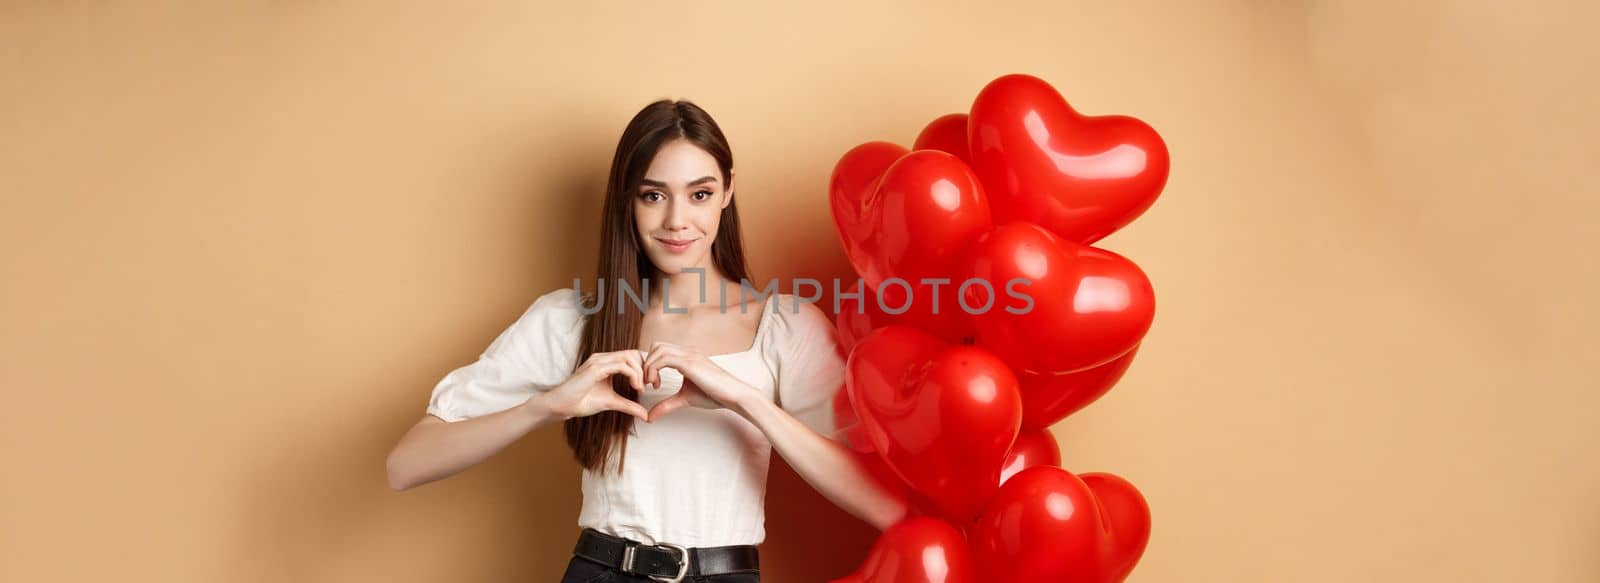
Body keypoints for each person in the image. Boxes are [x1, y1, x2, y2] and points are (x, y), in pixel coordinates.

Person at [385, 99, 907, 582]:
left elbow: (888, 507)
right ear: (627, 201)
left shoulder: (785, 324)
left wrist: (746, 401)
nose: (677, 221)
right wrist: (545, 407)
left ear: (727, 191)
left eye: (699, 194)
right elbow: (406, 465)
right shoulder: (572, 320)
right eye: (653, 195)